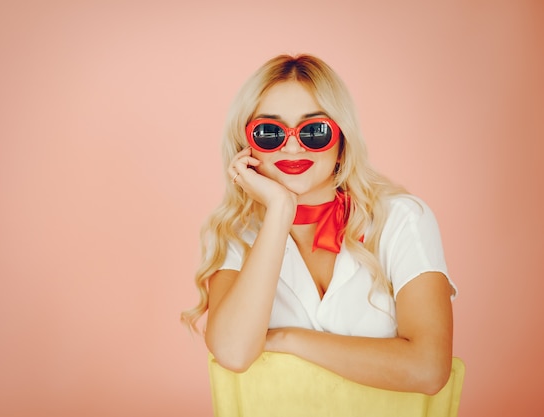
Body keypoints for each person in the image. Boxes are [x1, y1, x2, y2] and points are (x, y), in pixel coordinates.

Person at [181, 54, 457, 395]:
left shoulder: (403, 220)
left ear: (342, 143)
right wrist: (281, 209)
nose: (293, 146)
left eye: (314, 130)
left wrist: (287, 339)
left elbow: (428, 369)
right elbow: (234, 352)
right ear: (247, 146)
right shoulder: (234, 234)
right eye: (270, 132)